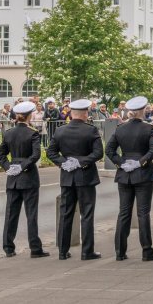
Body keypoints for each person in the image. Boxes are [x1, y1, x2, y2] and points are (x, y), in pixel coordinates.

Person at [104, 96, 153, 261]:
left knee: (124, 213)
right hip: (143, 173)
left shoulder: (120, 128)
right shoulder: (148, 128)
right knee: (143, 213)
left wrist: (121, 163)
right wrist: (140, 162)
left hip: (124, 173)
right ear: (142, 111)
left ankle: (120, 251)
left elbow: (109, 150)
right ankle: (146, 250)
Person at [47, 99, 105, 260]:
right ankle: (87, 251)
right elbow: (98, 153)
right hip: (86, 177)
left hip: (67, 177)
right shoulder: (91, 131)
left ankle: (62, 251)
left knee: (66, 214)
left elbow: (51, 153)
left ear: (71, 114)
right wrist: (81, 162)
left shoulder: (60, 131)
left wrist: (64, 163)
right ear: (85, 114)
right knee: (86, 214)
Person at [0, 101, 47, 258]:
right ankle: (35, 248)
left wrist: (9, 167)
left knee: (11, 213)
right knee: (31, 214)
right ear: (30, 115)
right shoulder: (32, 133)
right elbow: (36, 155)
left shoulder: (9, 133)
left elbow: (0, 155)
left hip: (13, 177)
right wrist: (23, 165)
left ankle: (8, 246)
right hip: (28, 177)